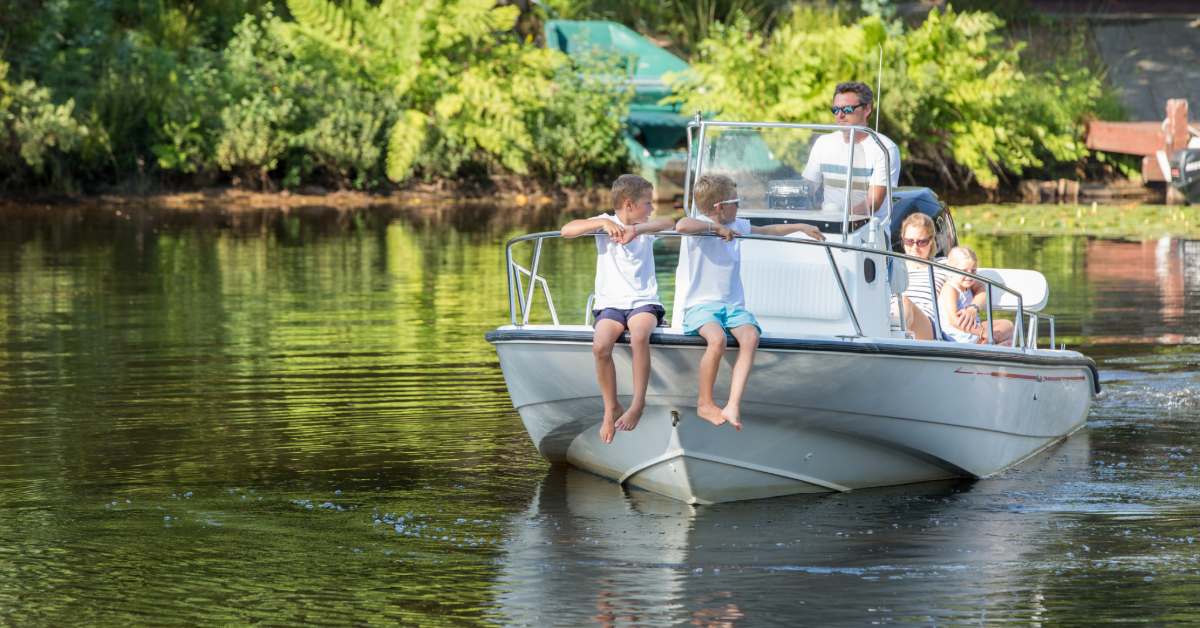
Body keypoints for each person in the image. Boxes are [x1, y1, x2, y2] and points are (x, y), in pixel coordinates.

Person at [675, 174, 825, 430]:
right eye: (737, 201)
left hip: (732, 308)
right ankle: (705, 402)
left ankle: (733, 404)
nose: (740, 206)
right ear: (720, 207)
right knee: (718, 339)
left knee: (750, 336)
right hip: (700, 307)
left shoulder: (738, 225)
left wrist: (799, 226)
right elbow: (680, 226)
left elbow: (768, 230)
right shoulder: (700, 225)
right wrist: (718, 229)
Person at [560, 174, 676, 444]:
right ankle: (611, 406)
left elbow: (670, 222)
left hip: (643, 303)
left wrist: (637, 230)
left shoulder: (645, 227)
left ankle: (638, 403)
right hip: (610, 305)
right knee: (600, 346)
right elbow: (567, 230)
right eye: (648, 203)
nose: (652, 209)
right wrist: (601, 222)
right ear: (629, 204)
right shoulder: (605, 222)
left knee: (638, 336)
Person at [800, 82, 901, 223]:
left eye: (847, 109)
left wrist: (841, 218)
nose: (840, 115)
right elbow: (806, 190)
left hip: (869, 231)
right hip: (827, 227)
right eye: (835, 110)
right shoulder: (823, 143)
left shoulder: (885, 148)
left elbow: (874, 202)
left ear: (866, 110)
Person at [938, 246, 1015, 346]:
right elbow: (954, 321)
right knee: (1008, 340)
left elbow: (984, 288)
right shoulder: (950, 289)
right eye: (964, 271)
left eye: (973, 270)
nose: (970, 275)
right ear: (951, 271)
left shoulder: (967, 286)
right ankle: (991, 344)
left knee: (1008, 325)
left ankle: (990, 343)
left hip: (972, 330)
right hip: (959, 337)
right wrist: (982, 332)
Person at [893, 212, 944, 341]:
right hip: (891, 319)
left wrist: (974, 307)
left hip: (925, 326)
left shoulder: (943, 265)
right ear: (902, 238)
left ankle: (891, 343)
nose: (914, 247)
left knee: (903, 301)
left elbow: (979, 285)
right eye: (909, 241)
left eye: (921, 242)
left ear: (931, 240)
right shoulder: (892, 264)